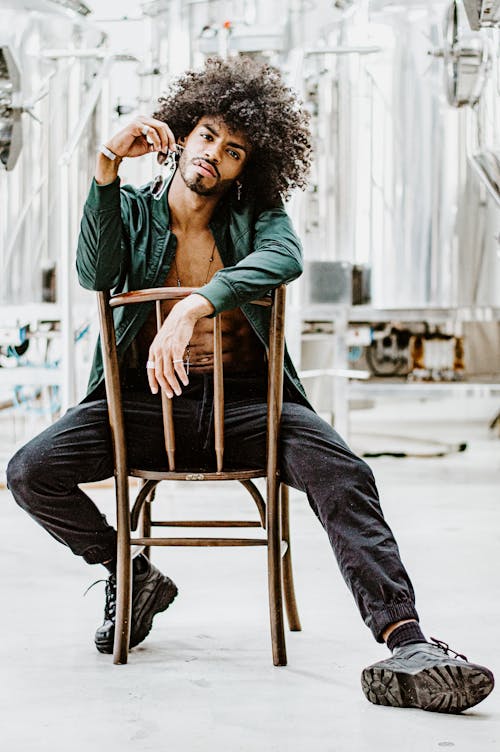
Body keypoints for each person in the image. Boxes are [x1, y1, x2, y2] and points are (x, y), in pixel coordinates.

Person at [7, 56, 494, 713]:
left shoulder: (257, 214)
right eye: (208, 135)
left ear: (247, 168)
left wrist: (194, 304)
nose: (215, 154)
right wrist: (104, 167)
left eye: (234, 150)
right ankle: (129, 572)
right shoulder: (126, 206)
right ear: (181, 135)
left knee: (345, 472)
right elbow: (97, 271)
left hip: (246, 404)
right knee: (30, 470)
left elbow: (285, 257)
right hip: (141, 408)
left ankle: (406, 643)